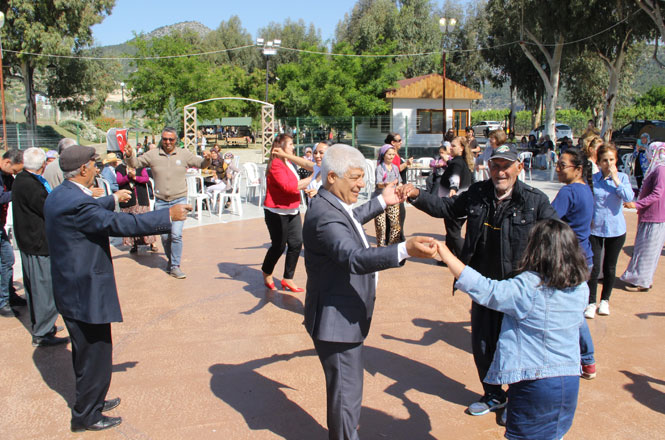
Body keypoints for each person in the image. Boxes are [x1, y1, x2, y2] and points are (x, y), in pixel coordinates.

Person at [401, 144, 557, 418]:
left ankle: (518, 401)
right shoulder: (478, 193)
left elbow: (556, 237)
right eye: (495, 166)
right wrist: (415, 194)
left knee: (518, 347)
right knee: (484, 346)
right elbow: (447, 208)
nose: (500, 172)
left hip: (518, 289)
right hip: (482, 285)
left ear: (518, 167)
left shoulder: (535, 201)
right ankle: (494, 395)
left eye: (506, 166)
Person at [44, 144, 191, 433]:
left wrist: (110, 198)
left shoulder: (61, 194)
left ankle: (93, 400)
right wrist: (167, 216)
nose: (97, 168)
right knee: (95, 353)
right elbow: (117, 223)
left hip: (71, 288)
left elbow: (89, 209)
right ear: (83, 169)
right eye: (93, 163)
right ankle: (85, 415)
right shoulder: (76, 204)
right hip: (84, 292)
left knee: (87, 352)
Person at [302, 143, 436, 440]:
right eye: (355, 177)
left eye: (363, 176)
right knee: (345, 397)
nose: (362, 184)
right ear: (332, 177)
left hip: (342, 319)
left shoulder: (329, 204)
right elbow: (354, 258)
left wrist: (381, 201)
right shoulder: (325, 215)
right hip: (336, 325)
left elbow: (349, 220)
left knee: (347, 391)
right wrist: (403, 249)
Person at [436, 219, 588, 440]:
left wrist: (446, 254)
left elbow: (485, 289)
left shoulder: (529, 288)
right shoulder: (580, 287)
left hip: (535, 384)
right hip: (569, 381)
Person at [124, 127, 211, 279]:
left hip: (179, 200)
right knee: (165, 237)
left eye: (171, 139)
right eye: (165, 139)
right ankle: (171, 261)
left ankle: (176, 266)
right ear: (161, 139)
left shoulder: (184, 154)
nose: (168, 142)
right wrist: (130, 155)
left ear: (176, 140)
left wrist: (208, 158)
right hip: (161, 202)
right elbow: (136, 163)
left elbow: (201, 163)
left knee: (176, 234)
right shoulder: (153, 154)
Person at [12, 148, 68, 346]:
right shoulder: (31, 185)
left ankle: (44, 326)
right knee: (43, 289)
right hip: (38, 244)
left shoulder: (21, 180)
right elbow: (49, 209)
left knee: (36, 288)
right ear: (43, 165)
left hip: (30, 243)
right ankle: (42, 332)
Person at [551, 147, 597, 379]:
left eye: (563, 165)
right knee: (572, 308)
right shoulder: (585, 189)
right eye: (557, 164)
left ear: (578, 169)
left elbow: (548, 219)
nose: (558, 169)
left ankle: (587, 359)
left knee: (571, 312)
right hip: (584, 257)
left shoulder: (569, 192)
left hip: (570, 259)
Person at [586, 144, 634, 318]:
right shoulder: (592, 179)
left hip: (616, 229)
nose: (608, 163)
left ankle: (605, 300)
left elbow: (629, 198)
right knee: (594, 266)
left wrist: (616, 180)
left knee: (610, 267)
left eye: (611, 160)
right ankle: (591, 302)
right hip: (596, 229)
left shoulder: (622, 178)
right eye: (604, 160)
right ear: (598, 162)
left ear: (616, 161)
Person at [261, 134, 310, 292]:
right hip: (276, 211)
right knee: (278, 246)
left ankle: (288, 278)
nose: (293, 147)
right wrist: (313, 178)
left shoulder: (289, 161)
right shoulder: (276, 164)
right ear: (280, 146)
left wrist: (309, 186)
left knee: (296, 243)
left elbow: (298, 180)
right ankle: (267, 272)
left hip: (292, 209)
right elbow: (289, 187)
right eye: (290, 144)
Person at [621, 142, 665, 291]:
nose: (647, 154)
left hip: (654, 216)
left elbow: (657, 193)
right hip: (650, 215)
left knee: (647, 249)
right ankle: (641, 278)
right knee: (644, 248)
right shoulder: (656, 169)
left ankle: (641, 281)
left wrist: (637, 204)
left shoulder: (660, 170)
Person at [438, 136, 474, 257]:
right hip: (459, 203)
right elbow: (455, 169)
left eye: (453, 146)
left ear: (462, 148)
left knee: (453, 233)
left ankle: (466, 260)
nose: (450, 148)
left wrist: (453, 188)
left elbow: (455, 176)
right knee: (450, 232)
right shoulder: (459, 161)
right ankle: (447, 257)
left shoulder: (457, 162)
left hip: (454, 204)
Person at [0, 150, 26, 317]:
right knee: (5, 260)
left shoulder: (7, 176)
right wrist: (20, 191)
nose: (16, 174)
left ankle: (8, 295)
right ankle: (3, 301)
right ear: (7, 162)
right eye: (16, 170)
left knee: (7, 260)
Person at [115, 163, 158, 253]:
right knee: (130, 221)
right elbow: (119, 181)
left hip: (141, 198)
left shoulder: (140, 167)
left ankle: (152, 243)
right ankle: (134, 244)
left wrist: (135, 177)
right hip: (128, 199)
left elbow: (145, 179)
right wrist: (128, 176)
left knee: (145, 220)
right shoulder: (120, 168)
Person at [385, 132, 413, 242]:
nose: (401, 142)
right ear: (393, 142)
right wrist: (406, 164)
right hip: (395, 191)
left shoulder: (394, 153)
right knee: (397, 219)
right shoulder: (390, 154)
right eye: (399, 140)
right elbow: (393, 170)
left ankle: (395, 242)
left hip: (398, 191)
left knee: (396, 219)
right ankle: (397, 245)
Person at [374, 144, 402, 247]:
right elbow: (378, 184)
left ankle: (392, 247)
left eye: (393, 155)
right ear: (383, 154)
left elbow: (399, 182)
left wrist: (401, 187)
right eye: (389, 154)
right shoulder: (380, 168)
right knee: (381, 226)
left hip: (393, 199)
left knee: (396, 226)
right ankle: (380, 248)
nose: (391, 157)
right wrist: (388, 184)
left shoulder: (395, 168)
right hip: (380, 199)